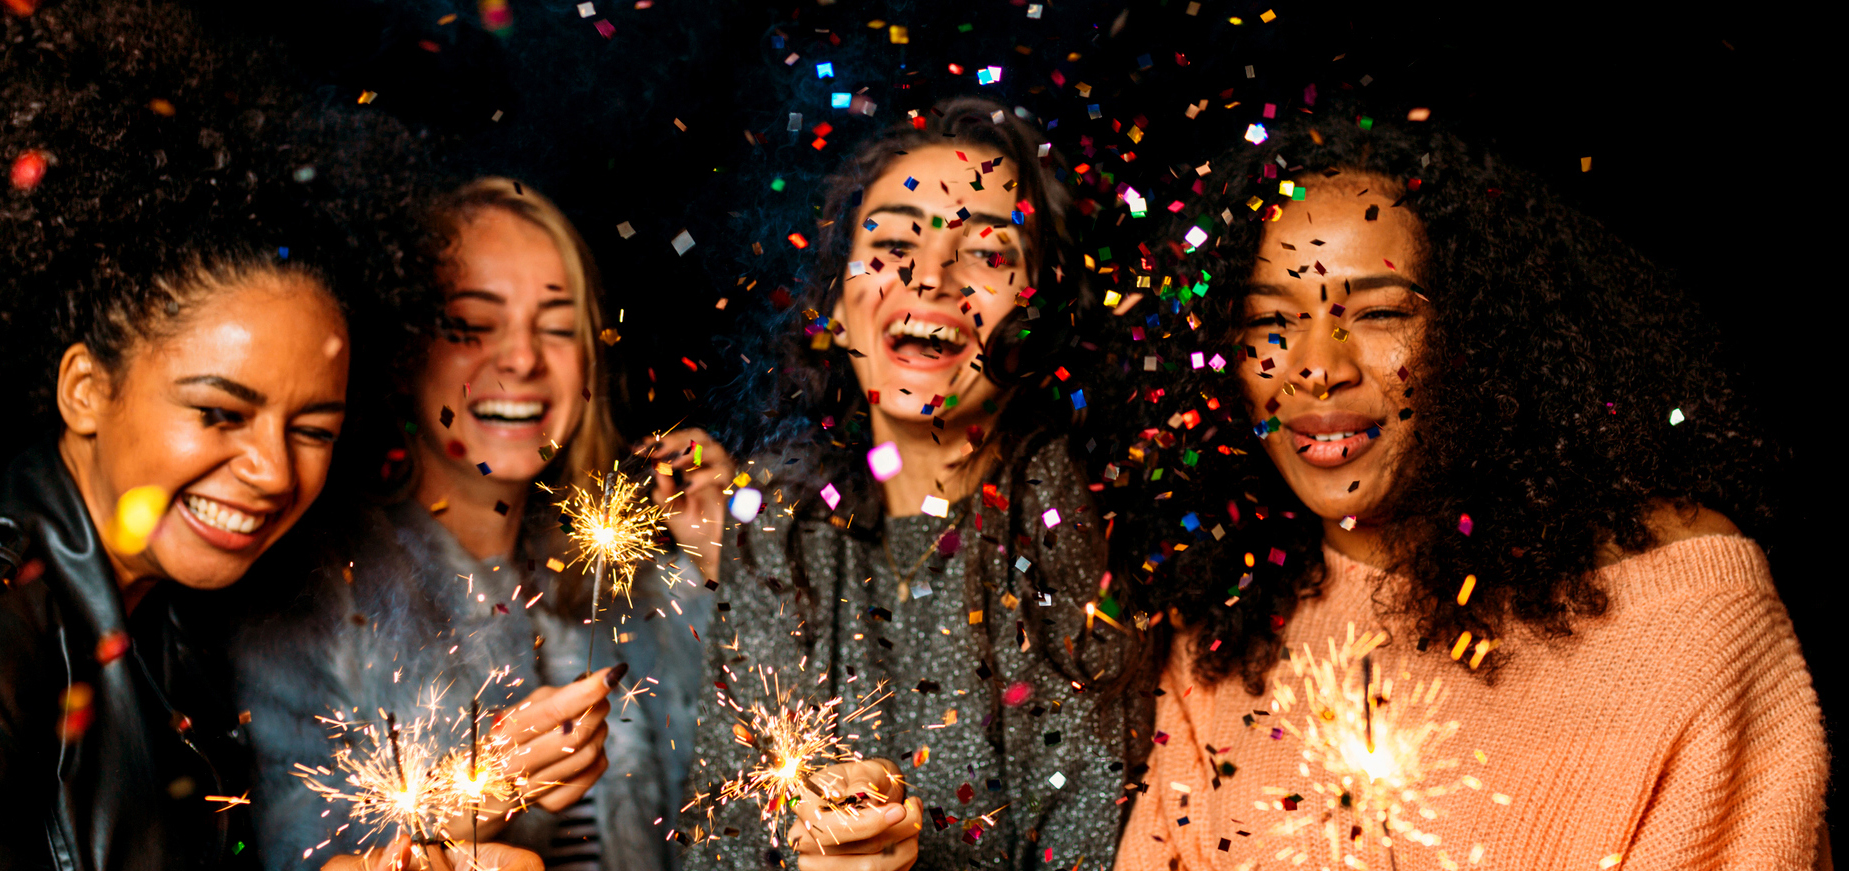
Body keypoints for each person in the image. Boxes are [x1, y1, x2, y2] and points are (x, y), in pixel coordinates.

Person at [0, 1, 514, 869]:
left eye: (313, 427)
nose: (269, 468)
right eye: (218, 412)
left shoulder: (162, 628)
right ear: (85, 390)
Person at [1110, 107, 1829, 869]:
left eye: (1381, 312)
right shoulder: (1220, 638)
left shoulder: (1687, 617)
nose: (1317, 365)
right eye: (1270, 322)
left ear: (1483, 338)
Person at [683, 96, 1154, 871]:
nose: (929, 276)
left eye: (987, 253)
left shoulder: (1065, 516)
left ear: (1040, 314)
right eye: (893, 241)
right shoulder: (779, 518)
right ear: (835, 302)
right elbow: (723, 843)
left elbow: (1090, 845)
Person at [228, 178, 723, 871]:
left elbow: (728, 820)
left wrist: (717, 572)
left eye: (556, 325)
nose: (522, 358)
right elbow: (292, 851)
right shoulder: (317, 586)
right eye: (470, 325)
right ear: (405, 352)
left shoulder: (632, 579)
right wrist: (462, 798)